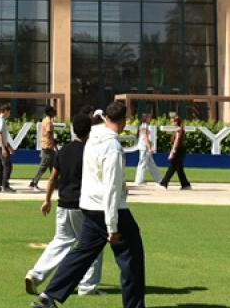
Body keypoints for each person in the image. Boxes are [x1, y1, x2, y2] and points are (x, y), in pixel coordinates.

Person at [31, 100, 144, 308]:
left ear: (106, 117)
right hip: (109, 209)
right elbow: (111, 188)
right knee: (131, 258)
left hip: (89, 207)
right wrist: (112, 227)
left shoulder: (93, 137)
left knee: (82, 254)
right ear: (124, 121)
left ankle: (48, 296)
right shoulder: (113, 147)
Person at [25, 110, 103, 299]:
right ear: (90, 130)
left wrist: (47, 200)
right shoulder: (89, 151)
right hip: (82, 205)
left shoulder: (64, 151)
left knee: (60, 242)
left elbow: (53, 177)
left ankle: (35, 274)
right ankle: (88, 287)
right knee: (92, 244)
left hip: (63, 204)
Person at [30, 106, 59, 191]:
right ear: (50, 112)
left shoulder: (46, 120)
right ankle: (34, 183)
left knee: (53, 166)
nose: (55, 112)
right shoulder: (48, 121)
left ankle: (56, 184)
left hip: (48, 146)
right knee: (43, 167)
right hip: (48, 147)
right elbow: (49, 134)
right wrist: (55, 145)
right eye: (53, 111)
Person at [159, 114, 190, 190]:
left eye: (173, 122)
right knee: (179, 168)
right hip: (182, 150)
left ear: (176, 122)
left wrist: (173, 152)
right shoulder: (179, 129)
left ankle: (164, 183)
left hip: (178, 150)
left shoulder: (179, 130)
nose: (171, 123)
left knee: (172, 167)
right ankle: (185, 185)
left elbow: (177, 142)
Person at [0, 104, 16, 193]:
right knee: (7, 166)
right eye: (9, 112)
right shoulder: (0, 120)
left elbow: (3, 136)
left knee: (0, 166)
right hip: (0, 146)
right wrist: (3, 148)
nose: (9, 114)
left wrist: (9, 147)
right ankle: (5, 186)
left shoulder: (0, 120)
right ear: (5, 111)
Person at [132, 113, 158, 187]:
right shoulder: (144, 126)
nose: (151, 119)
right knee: (142, 164)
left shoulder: (144, 125)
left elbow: (147, 138)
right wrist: (149, 148)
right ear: (146, 119)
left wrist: (150, 146)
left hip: (145, 147)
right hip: (144, 148)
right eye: (149, 118)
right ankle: (139, 181)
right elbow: (145, 138)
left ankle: (159, 180)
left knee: (151, 164)